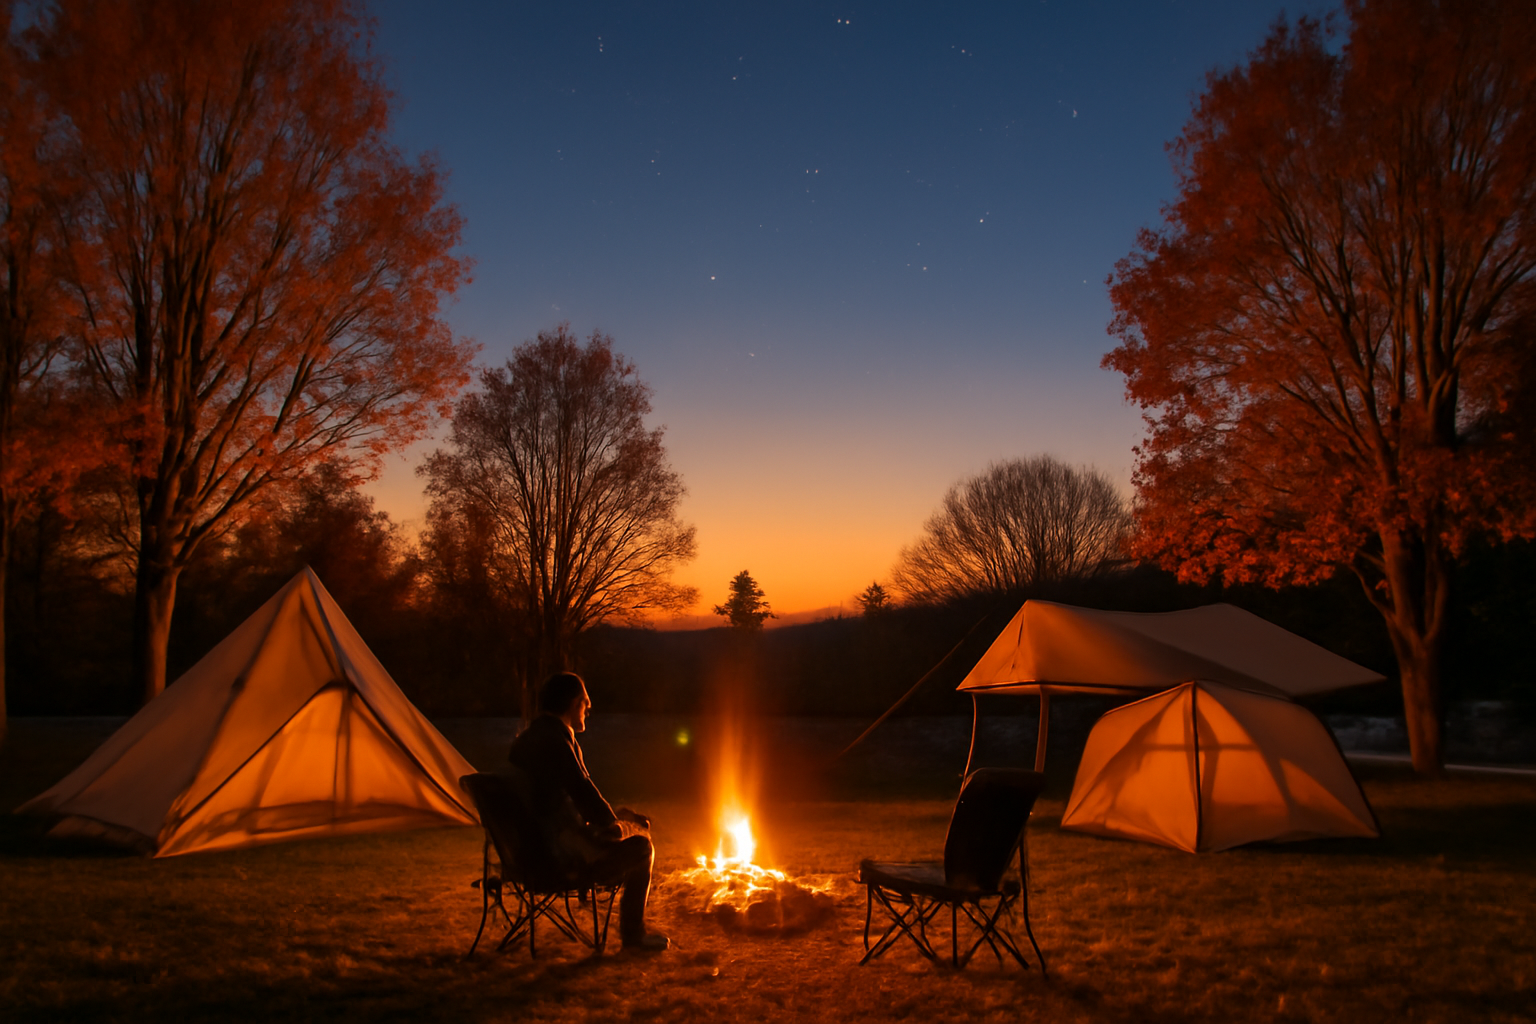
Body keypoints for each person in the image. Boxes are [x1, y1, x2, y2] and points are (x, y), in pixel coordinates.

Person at [508, 671, 669, 952]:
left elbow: (561, 796)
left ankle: (634, 934)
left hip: (529, 852)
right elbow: (580, 787)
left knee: (617, 835)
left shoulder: (528, 738)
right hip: (557, 858)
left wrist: (611, 818)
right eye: (585, 701)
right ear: (573, 704)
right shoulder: (557, 740)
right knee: (642, 847)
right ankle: (634, 936)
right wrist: (610, 824)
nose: (589, 707)